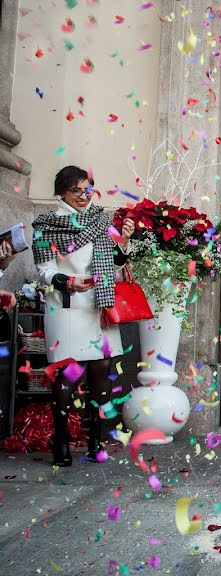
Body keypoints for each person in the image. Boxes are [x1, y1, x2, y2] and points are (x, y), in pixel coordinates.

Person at [31, 166, 134, 467]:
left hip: (98, 304)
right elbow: (43, 271)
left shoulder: (102, 220)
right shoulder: (45, 226)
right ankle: (61, 441)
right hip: (65, 306)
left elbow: (114, 266)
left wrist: (124, 243)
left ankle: (95, 440)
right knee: (66, 374)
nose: (82, 196)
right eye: (76, 190)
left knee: (101, 369)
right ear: (61, 192)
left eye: (87, 189)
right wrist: (68, 282)